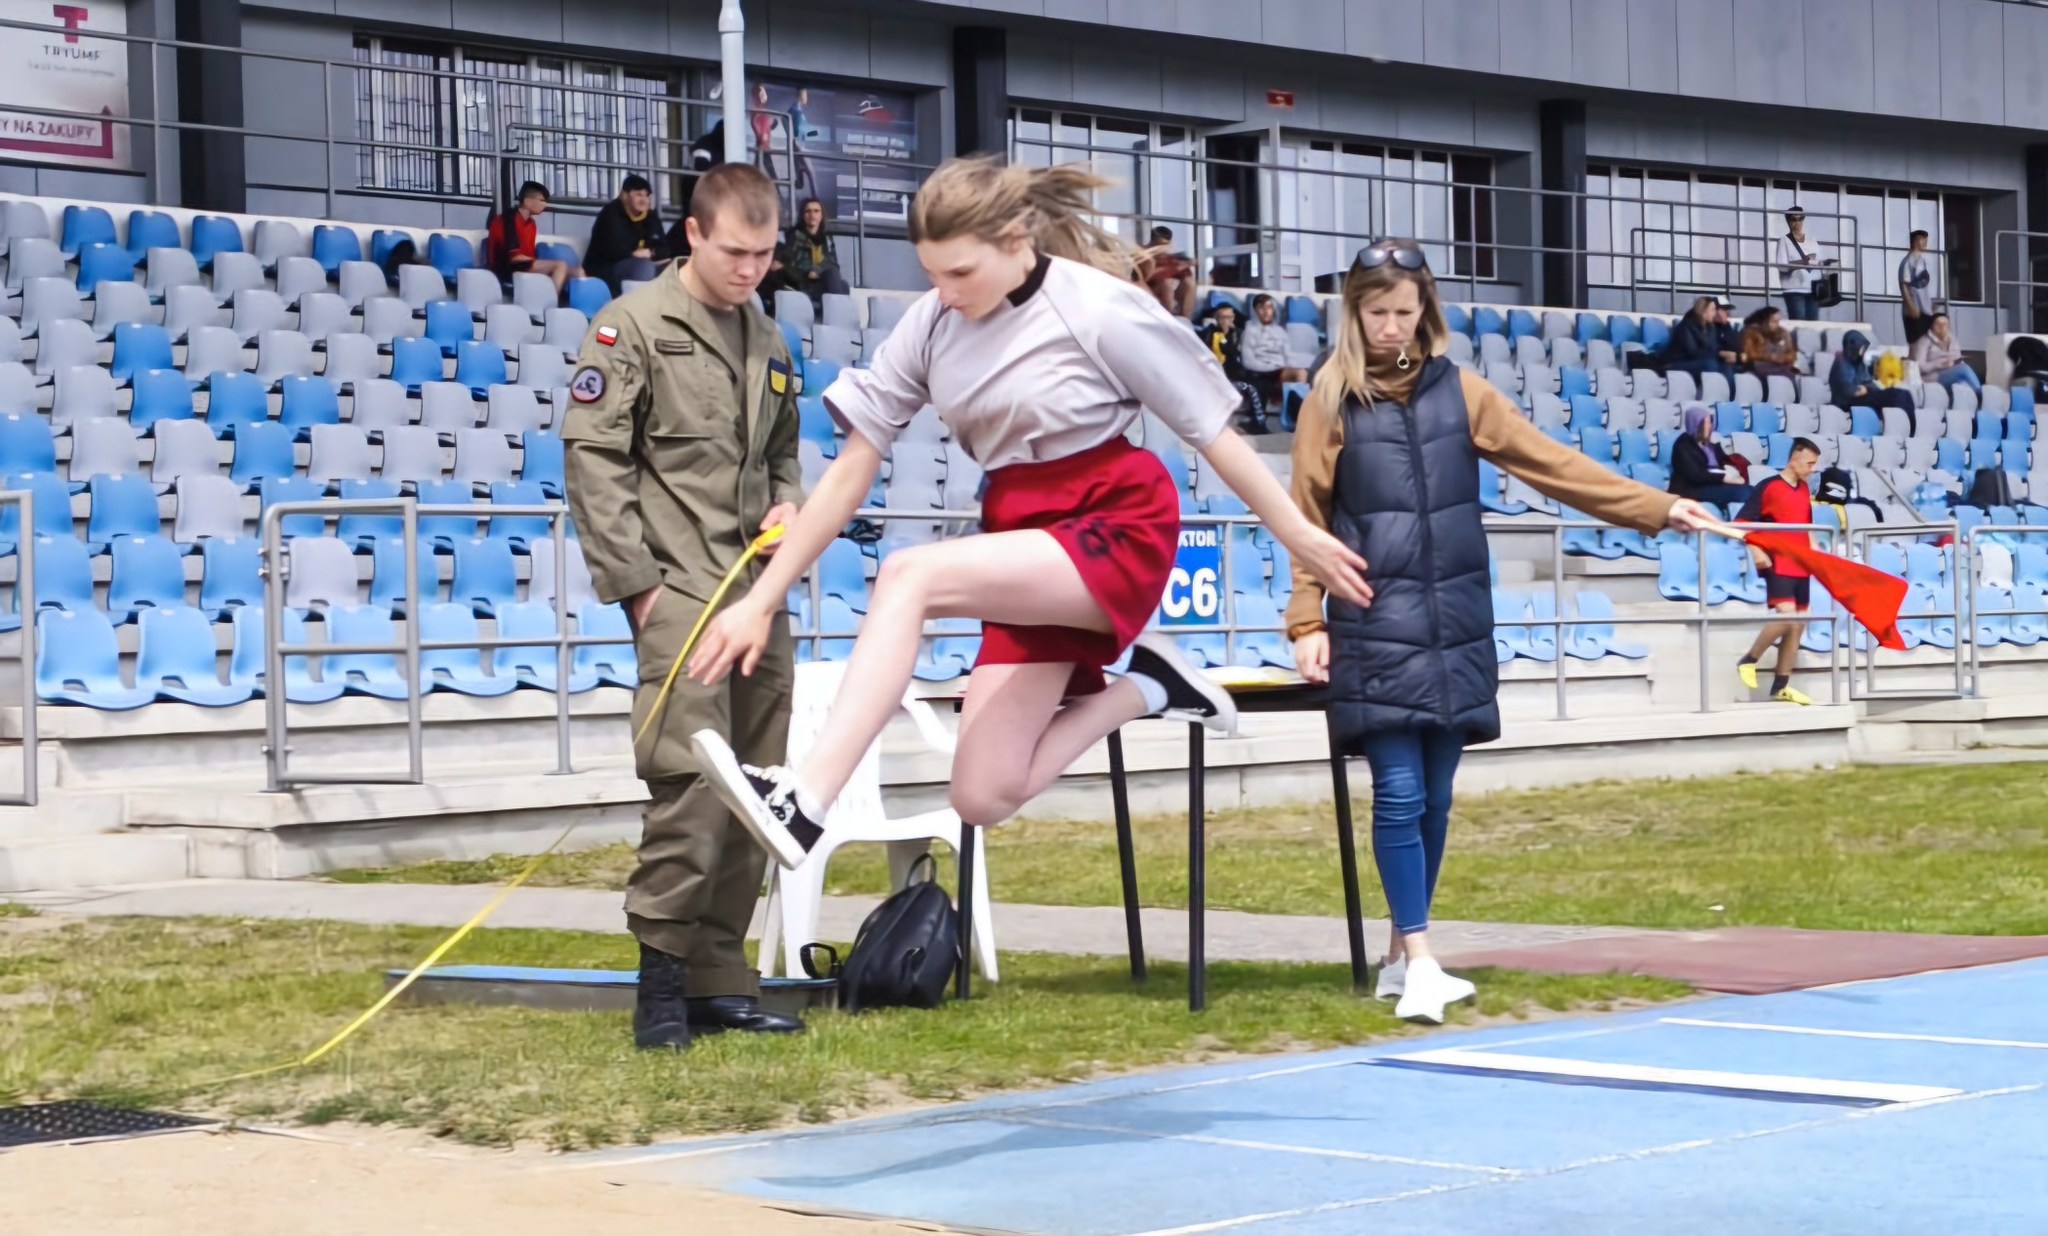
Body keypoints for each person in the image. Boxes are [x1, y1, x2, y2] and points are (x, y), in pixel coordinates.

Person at [680, 155, 1370, 894]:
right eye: (931, 274)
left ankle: (805, 802)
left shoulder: (1097, 308)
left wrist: (1297, 534)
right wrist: (761, 600)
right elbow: (851, 469)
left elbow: (1215, 437)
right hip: (1022, 534)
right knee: (982, 793)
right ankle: (1146, 686)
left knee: (909, 575)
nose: (945, 293)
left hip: (1116, 521)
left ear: (1015, 242)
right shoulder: (934, 320)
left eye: (960, 273)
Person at [1285, 240, 1716, 1023]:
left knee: (1436, 798)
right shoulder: (1329, 400)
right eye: (1377, 313)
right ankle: (1422, 961)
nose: (1391, 328)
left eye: (1404, 312)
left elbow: (1553, 465)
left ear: (1425, 312)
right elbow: (1305, 517)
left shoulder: (1465, 393)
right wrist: (1307, 618)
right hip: (1373, 618)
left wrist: (1657, 508)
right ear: (1354, 313)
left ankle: (1398, 955)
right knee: (1398, 792)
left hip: (1455, 621)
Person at [560, 163, 805, 1052]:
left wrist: (790, 503)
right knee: (691, 784)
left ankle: (719, 980)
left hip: (755, 592)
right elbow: (593, 458)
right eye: (736, 252)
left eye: (765, 255)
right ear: (693, 234)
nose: (750, 269)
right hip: (679, 588)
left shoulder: (769, 339)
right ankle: (661, 980)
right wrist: (638, 587)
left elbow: (783, 452)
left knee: (759, 784)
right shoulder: (631, 328)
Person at [1736, 438, 1822, 707]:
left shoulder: (1804, 489)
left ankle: (1781, 686)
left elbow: (1806, 527)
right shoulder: (1769, 486)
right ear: (1795, 458)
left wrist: (1818, 555)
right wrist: (1756, 551)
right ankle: (1748, 659)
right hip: (1779, 562)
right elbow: (1742, 522)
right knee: (1787, 616)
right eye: (1809, 464)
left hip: (1801, 564)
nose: (1812, 470)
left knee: (1799, 623)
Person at [485, 180, 580, 298]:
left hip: (525, 266)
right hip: (507, 270)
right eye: (542, 201)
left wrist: (542, 264)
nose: (545, 205)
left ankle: (577, 305)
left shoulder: (531, 223)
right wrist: (543, 264)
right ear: (527, 201)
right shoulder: (507, 220)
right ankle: (551, 303)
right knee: (560, 266)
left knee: (577, 272)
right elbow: (514, 257)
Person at [583, 174, 668, 295]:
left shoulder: (650, 216)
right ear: (625, 195)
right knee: (645, 267)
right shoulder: (611, 213)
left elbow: (664, 248)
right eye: (638, 195)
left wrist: (651, 252)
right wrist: (633, 253)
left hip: (640, 263)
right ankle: (638, 305)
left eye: (646, 195)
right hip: (606, 269)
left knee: (672, 268)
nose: (644, 200)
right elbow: (613, 250)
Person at [1830, 329, 1917, 435]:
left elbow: (1868, 382)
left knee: (1905, 394)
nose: (1862, 352)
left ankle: (1910, 427)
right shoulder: (1841, 363)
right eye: (1861, 348)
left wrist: (1868, 388)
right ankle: (1907, 430)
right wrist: (1862, 389)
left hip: (1866, 396)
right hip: (1849, 402)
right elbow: (1844, 390)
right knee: (1896, 396)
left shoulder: (1858, 363)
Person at [1668, 403, 1753, 509]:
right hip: (1691, 490)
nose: (1709, 426)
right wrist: (1724, 478)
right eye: (1706, 423)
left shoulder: (1709, 446)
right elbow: (1697, 476)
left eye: (1710, 423)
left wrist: (1732, 473)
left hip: (1712, 485)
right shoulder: (1683, 445)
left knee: (1752, 491)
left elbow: (1719, 466)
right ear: (1696, 425)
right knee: (1746, 493)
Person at [776, 197, 850, 313]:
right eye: (808, 211)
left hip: (819, 282)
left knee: (842, 284)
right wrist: (809, 272)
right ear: (803, 215)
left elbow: (834, 264)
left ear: (821, 215)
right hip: (800, 283)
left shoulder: (827, 239)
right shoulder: (792, 236)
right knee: (837, 283)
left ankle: (833, 315)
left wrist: (817, 270)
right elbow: (787, 264)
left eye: (816, 211)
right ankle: (836, 315)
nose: (812, 215)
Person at [1239, 293, 1309, 399]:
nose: (1266, 311)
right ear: (1255, 311)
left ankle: (1299, 405)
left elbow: (1287, 356)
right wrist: (1273, 367)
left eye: (1269, 307)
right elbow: (1248, 362)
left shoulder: (1280, 331)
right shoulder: (1249, 331)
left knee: (1301, 373)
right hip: (1260, 372)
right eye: (1261, 308)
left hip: (1279, 371)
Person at [1775, 206, 1827, 322]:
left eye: (1800, 219)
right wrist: (1803, 262)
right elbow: (1782, 266)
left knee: (1813, 322)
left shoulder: (1812, 240)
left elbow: (1821, 262)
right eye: (1793, 219)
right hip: (1794, 289)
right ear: (1788, 221)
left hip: (1812, 288)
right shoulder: (1784, 241)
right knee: (1798, 321)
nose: (1797, 223)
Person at [1911, 312, 1982, 394]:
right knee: (1964, 369)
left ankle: (1977, 399)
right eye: (1938, 324)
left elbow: (1958, 358)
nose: (1942, 327)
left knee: (1963, 383)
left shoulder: (1953, 340)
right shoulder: (1924, 341)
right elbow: (1919, 367)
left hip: (1952, 374)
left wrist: (1957, 362)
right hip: (1934, 377)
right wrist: (1940, 364)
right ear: (1931, 327)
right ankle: (1981, 395)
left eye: (1945, 324)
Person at [1664, 296, 1731, 382]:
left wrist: (1724, 355)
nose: (1715, 313)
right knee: (1710, 365)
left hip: (1699, 361)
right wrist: (1719, 354)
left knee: (1727, 366)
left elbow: (1713, 347)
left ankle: (1728, 391)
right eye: (1713, 310)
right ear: (1703, 311)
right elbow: (1692, 352)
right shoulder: (1686, 326)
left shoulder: (1710, 327)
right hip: (1678, 363)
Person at [1139, 225, 1198, 318]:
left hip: (1164, 290)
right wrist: (1176, 268)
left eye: (1166, 245)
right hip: (1146, 288)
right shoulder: (1142, 254)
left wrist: (1184, 266)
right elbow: (1148, 275)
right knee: (1166, 283)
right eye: (1160, 244)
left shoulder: (1168, 257)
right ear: (1152, 242)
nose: (1163, 248)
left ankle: (1185, 319)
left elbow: (1185, 274)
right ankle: (1168, 319)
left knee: (1189, 283)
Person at [1739, 306, 1799, 381]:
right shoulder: (1751, 333)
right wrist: (1770, 357)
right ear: (1765, 321)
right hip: (1759, 367)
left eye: (1778, 321)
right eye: (1774, 321)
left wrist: (1780, 358)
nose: (1777, 324)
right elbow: (1750, 353)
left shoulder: (1783, 333)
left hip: (1781, 366)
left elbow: (1791, 354)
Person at [1899, 229, 1936, 346]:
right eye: (1924, 240)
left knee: (1927, 344)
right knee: (1917, 344)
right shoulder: (1908, 261)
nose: (1925, 243)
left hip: (1925, 310)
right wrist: (1911, 307)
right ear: (1917, 240)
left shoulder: (1922, 260)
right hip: (1915, 310)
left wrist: (1930, 304)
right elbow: (1904, 285)